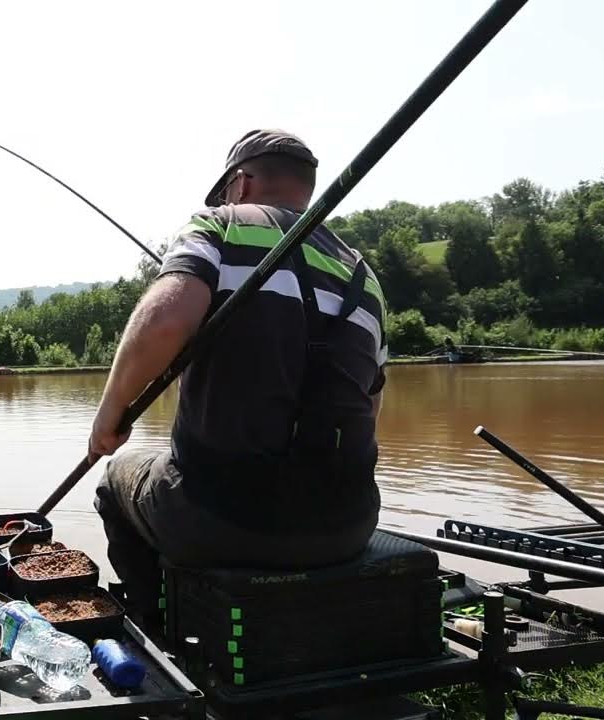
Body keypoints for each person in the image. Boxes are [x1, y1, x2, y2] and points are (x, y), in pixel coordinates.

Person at [89, 129, 388, 633]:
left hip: (222, 520)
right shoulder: (365, 278)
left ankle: (160, 631)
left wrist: (110, 413)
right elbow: (370, 407)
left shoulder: (222, 227)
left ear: (241, 182)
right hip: (348, 524)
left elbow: (164, 322)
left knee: (115, 482)